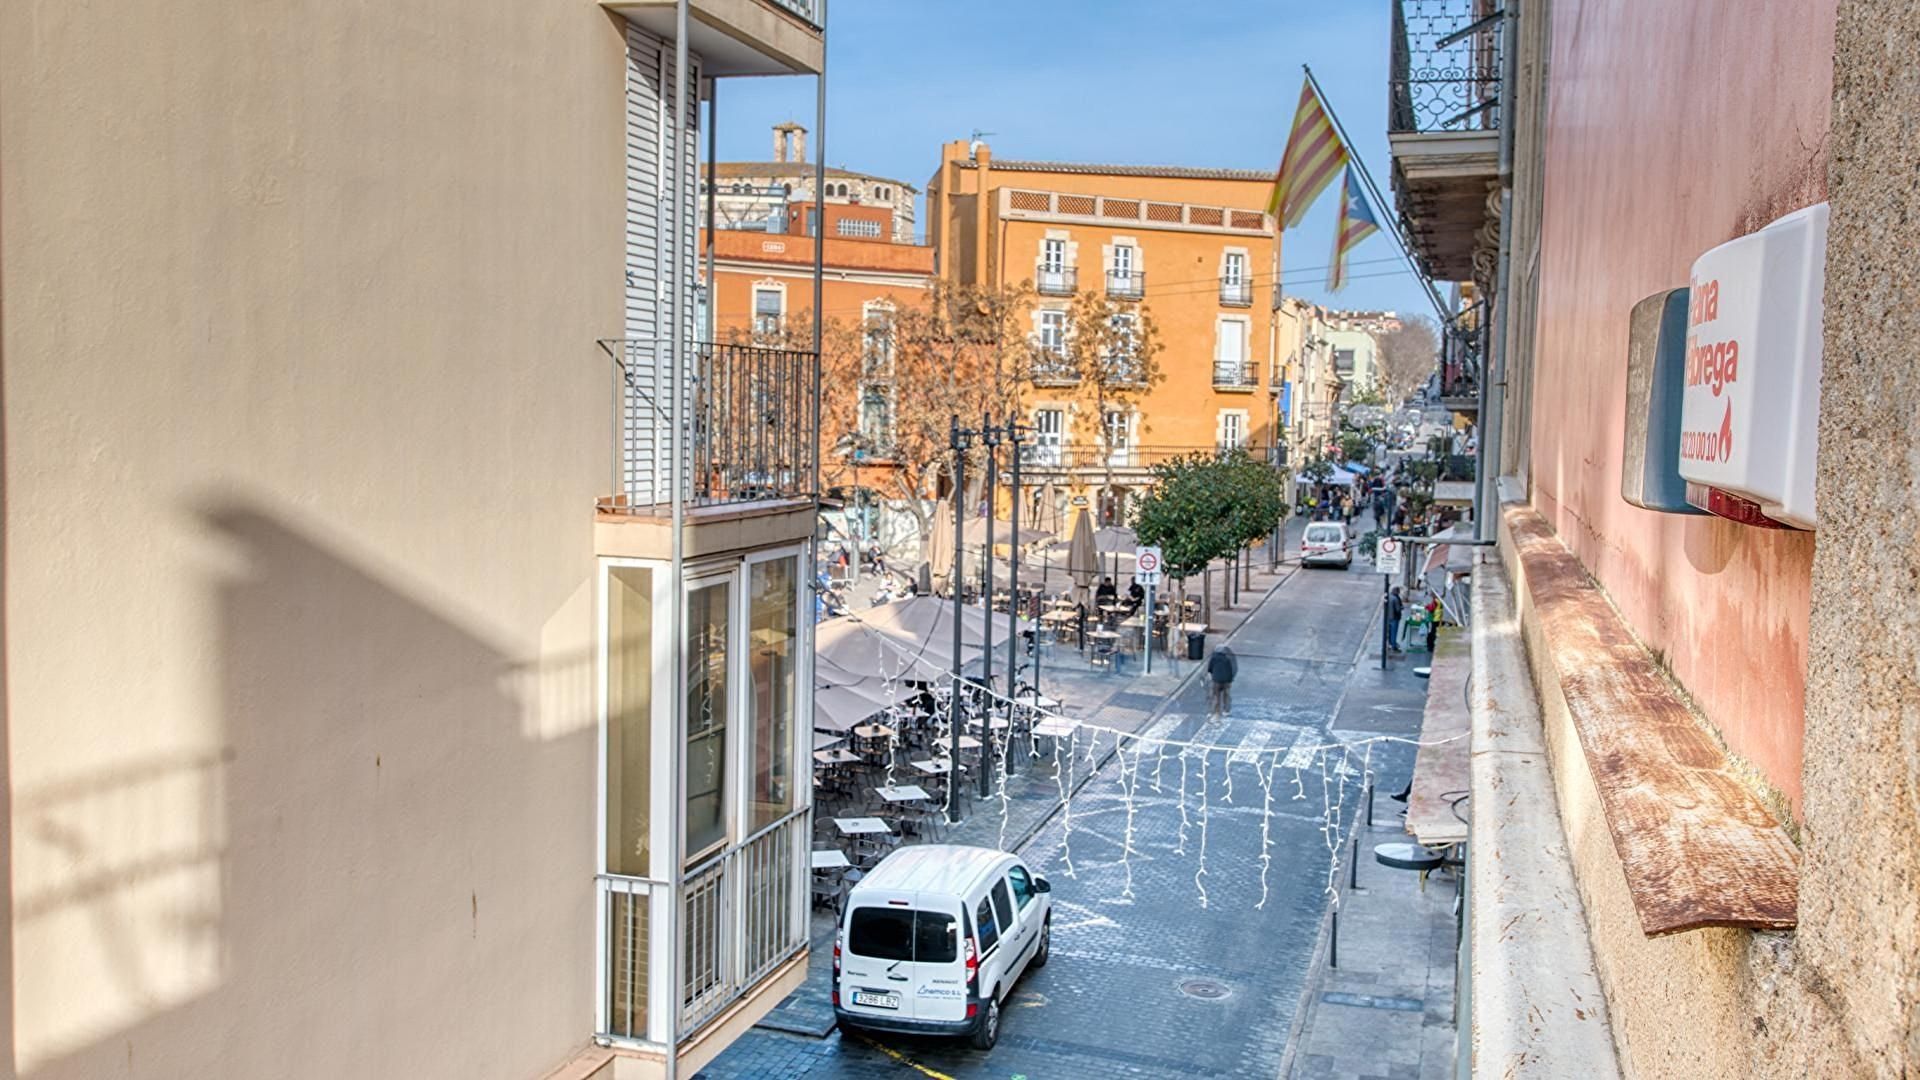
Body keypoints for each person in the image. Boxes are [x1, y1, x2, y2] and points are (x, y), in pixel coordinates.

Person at [1207, 644, 1238, 717]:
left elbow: (1210, 669)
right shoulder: (1227, 659)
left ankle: (1216, 711)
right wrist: (1231, 679)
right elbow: (1232, 669)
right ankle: (1226, 711)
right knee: (1226, 695)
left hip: (1216, 680)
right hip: (1226, 681)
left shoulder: (1213, 658)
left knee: (1216, 695)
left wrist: (1213, 675)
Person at [1386, 586, 1405, 652]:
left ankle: (1390, 643)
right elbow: (1398, 609)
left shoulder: (1389, 596)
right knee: (1394, 633)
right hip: (1395, 618)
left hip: (1388, 617)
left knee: (1389, 632)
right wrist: (1402, 607)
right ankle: (1394, 646)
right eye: (1399, 592)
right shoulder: (1396, 599)